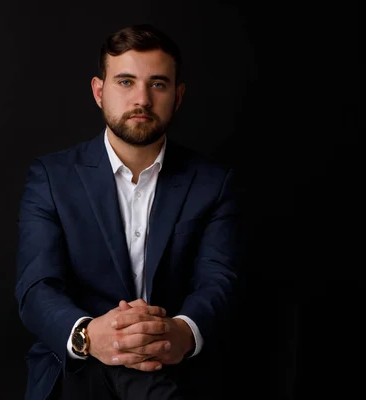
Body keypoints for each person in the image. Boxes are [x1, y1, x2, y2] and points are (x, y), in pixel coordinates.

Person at [15, 23, 242, 400]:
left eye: (158, 84)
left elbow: (218, 282)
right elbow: (37, 286)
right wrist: (87, 335)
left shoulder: (213, 183)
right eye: (125, 82)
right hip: (79, 370)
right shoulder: (51, 177)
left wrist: (181, 332)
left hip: (173, 369)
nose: (142, 99)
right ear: (98, 91)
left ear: (178, 95)